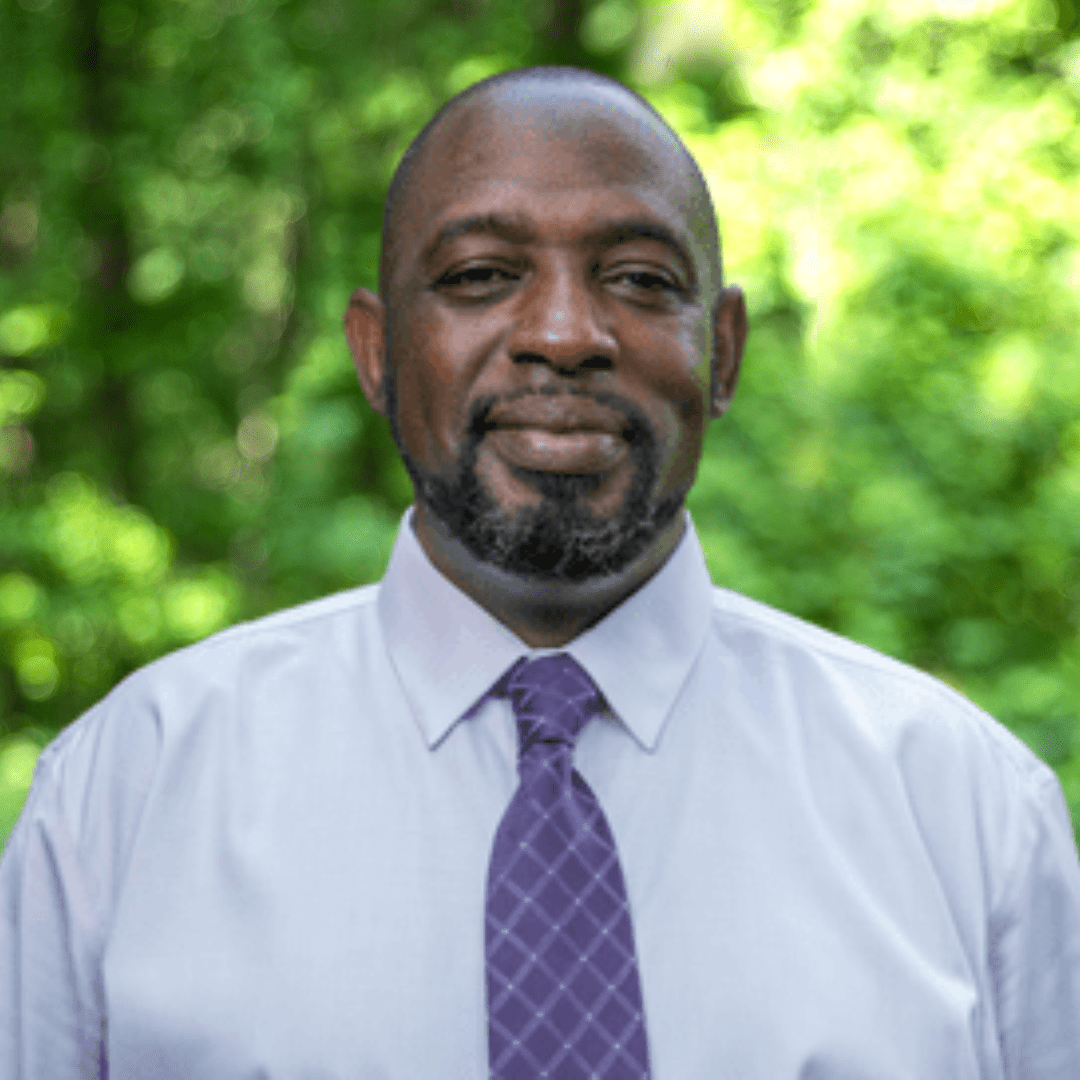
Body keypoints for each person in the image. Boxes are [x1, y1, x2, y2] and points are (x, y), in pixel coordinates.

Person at [2, 65, 1079, 1080]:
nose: (565, 334)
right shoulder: (128, 796)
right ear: (376, 353)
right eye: (480, 276)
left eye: (640, 280)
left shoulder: (966, 811)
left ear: (726, 353)